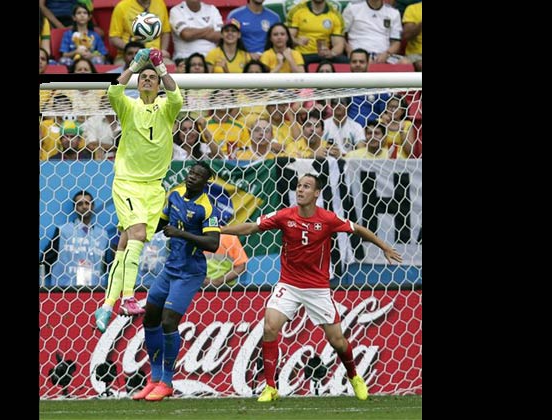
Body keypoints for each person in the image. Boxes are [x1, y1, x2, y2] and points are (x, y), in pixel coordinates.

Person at [220, 173, 403, 402]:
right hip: (289, 283)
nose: (300, 190)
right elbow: (250, 228)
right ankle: (270, 387)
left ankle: (355, 377)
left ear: (316, 193)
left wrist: (384, 246)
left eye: (306, 187)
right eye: (298, 186)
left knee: (337, 341)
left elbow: (358, 229)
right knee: (269, 327)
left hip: (317, 289)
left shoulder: (327, 219)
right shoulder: (284, 216)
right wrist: (220, 230)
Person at [94, 47, 183, 333]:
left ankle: (107, 304)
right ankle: (129, 297)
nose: (146, 80)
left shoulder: (166, 109)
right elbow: (113, 93)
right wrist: (135, 64)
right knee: (139, 234)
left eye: (151, 77)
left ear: (157, 85)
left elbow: (177, 95)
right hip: (128, 182)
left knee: (125, 244)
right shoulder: (129, 106)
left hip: (154, 188)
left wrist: (162, 68)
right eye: (143, 77)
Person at [132, 162, 221, 401]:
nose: (192, 177)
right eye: (191, 173)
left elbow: (213, 243)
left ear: (206, 182)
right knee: (150, 316)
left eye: (198, 176)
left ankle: (167, 382)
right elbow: (161, 223)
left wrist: (181, 234)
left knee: (169, 320)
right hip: (170, 267)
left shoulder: (207, 208)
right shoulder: (174, 195)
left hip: (190, 271)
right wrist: (138, 228)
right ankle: (154, 379)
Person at [41, 190, 112, 287]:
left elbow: (107, 264)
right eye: (80, 204)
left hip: (95, 291)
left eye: (87, 203)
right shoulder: (64, 231)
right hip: (66, 290)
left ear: (93, 206)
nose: (84, 206)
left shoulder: (102, 235)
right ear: (75, 208)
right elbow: (45, 260)